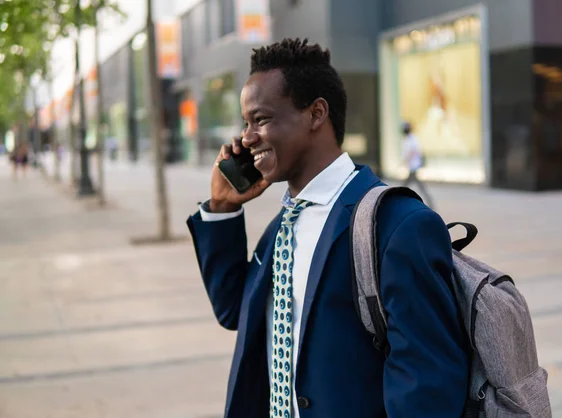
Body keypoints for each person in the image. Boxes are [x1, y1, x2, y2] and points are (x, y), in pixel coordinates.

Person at [187, 38, 468, 418]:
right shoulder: (281, 228)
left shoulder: (398, 225)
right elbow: (235, 310)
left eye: (262, 119)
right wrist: (221, 208)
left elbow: (427, 386)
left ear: (317, 113)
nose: (247, 137)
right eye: (245, 123)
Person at [401, 122, 434, 208]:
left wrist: (405, 160)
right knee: (413, 185)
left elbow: (412, 152)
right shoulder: (409, 139)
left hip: (413, 166)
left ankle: (398, 200)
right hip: (413, 166)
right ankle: (430, 203)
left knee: (405, 186)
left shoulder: (412, 139)